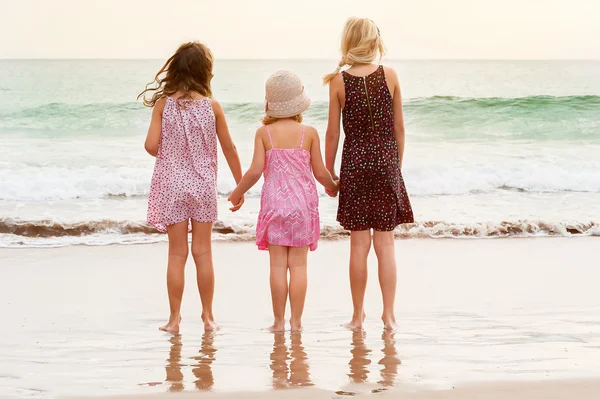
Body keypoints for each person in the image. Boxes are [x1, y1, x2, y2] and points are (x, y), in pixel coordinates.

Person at [139, 42, 243, 334]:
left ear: (175, 69)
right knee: (203, 252)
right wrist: (240, 185)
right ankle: (208, 318)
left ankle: (174, 320)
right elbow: (230, 148)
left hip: (172, 185)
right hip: (202, 185)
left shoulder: (163, 105)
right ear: (205, 72)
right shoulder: (213, 107)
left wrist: (171, 155)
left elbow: (150, 145)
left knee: (176, 254)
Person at [228, 70, 338, 332]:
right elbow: (320, 172)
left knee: (278, 266)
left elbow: (255, 171)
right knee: (298, 266)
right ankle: (296, 323)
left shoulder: (263, 134)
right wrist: (333, 186)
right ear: (299, 103)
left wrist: (237, 192)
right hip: (303, 206)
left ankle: (278, 323)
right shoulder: (308, 133)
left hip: (275, 205)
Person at [323, 18, 414, 330]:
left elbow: (332, 134)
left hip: (355, 166)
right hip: (386, 165)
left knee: (358, 246)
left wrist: (328, 174)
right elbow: (400, 128)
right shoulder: (390, 75)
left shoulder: (338, 82)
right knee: (386, 246)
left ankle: (357, 316)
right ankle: (389, 315)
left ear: (349, 42)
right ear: (375, 42)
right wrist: (395, 168)